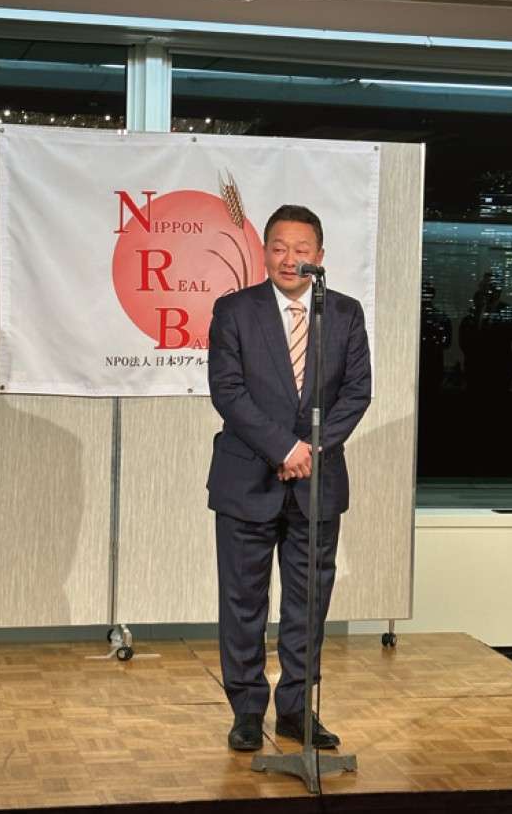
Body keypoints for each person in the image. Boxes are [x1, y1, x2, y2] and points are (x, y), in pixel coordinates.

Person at [207, 204, 372, 752]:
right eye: (278, 247)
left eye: (301, 250)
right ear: (264, 251)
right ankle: (247, 711)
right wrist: (283, 447)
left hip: (316, 484)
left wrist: (310, 452)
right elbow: (228, 391)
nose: (289, 258)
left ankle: (297, 710)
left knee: (308, 605)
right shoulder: (235, 310)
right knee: (243, 603)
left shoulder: (343, 313)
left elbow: (357, 393)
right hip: (246, 481)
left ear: (319, 257)